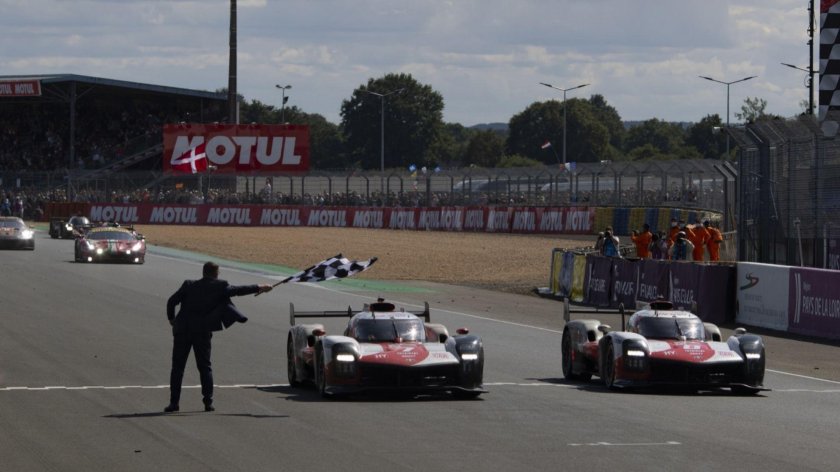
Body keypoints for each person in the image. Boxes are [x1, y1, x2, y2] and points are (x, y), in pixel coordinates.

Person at [165, 261, 273, 413]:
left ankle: (174, 403)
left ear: (203, 272)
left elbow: (171, 302)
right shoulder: (220, 286)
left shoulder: (188, 284)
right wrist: (260, 287)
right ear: (216, 274)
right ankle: (208, 402)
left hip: (183, 330)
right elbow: (238, 290)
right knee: (204, 367)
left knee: (177, 368)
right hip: (202, 332)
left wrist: (172, 320)